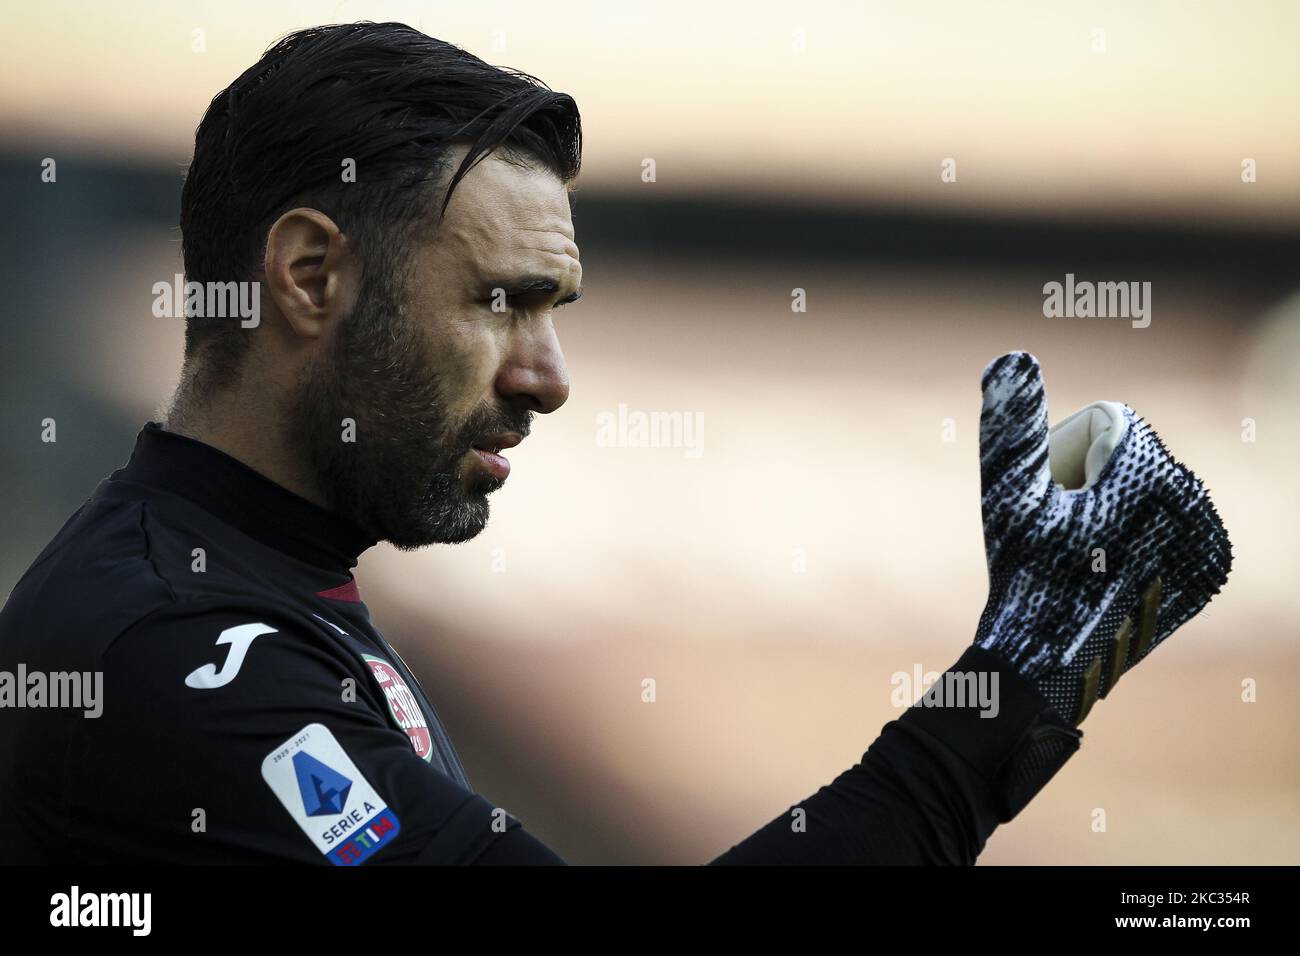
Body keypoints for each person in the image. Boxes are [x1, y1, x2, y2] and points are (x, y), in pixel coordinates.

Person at [0, 23, 1231, 865]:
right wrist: (1020, 676)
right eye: (499, 302)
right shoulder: (181, 650)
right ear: (311, 274)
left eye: (554, 311)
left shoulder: (249, 582)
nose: (548, 378)